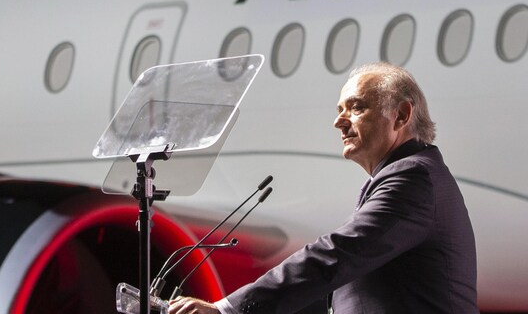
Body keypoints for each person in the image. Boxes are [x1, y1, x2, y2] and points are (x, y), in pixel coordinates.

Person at [169, 62, 478, 314]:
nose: (338, 122)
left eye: (356, 108)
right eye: (339, 109)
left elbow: (338, 254)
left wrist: (228, 309)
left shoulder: (413, 177)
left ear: (401, 115)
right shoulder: (411, 174)